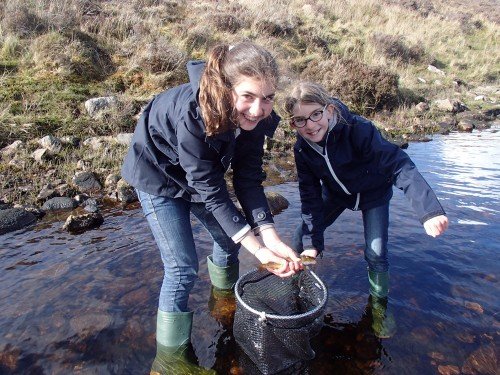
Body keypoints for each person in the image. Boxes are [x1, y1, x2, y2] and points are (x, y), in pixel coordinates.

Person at [121, 41, 301, 371]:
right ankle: (169, 358)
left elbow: (247, 178)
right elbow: (214, 194)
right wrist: (259, 252)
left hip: (200, 175)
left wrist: (271, 239)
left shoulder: (257, 117)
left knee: (227, 242)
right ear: (227, 87)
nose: (258, 109)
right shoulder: (193, 113)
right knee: (181, 267)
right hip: (157, 175)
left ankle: (223, 300)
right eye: (248, 96)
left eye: (268, 98)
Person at [283, 81, 449, 338]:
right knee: (299, 239)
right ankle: (297, 290)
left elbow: (398, 164)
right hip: (336, 196)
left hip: (374, 194)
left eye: (315, 114)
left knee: (375, 253)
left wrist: (429, 210)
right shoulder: (302, 148)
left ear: (328, 110)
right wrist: (312, 241)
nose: (310, 125)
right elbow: (309, 195)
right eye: (300, 120)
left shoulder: (358, 130)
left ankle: (379, 307)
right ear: (293, 123)